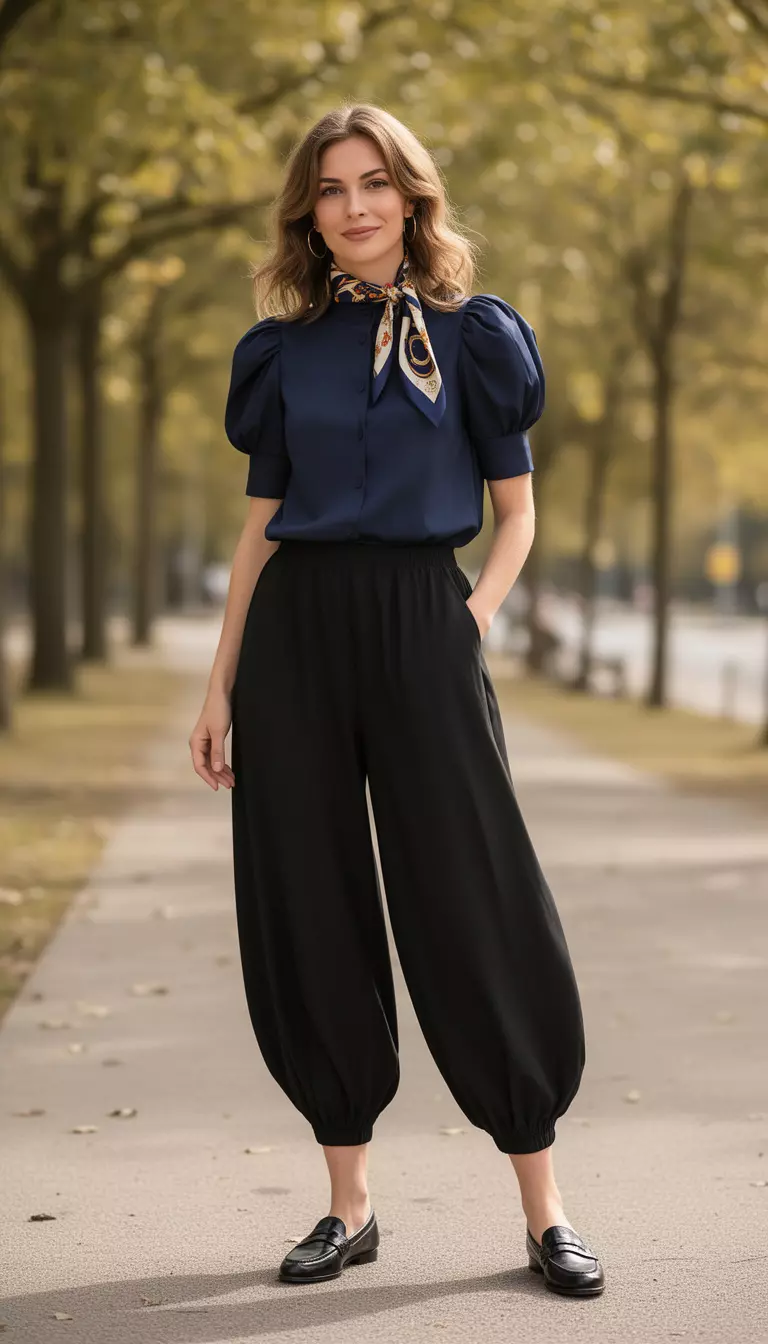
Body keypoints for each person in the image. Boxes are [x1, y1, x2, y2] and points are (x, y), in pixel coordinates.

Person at [189, 102, 604, 1298]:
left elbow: (515, 511)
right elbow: (261, 529)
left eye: (377, 183)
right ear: (307, 213)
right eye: (332, 189)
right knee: (308, 902)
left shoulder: (478, 338)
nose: (356, 206)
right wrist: (219, 685)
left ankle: (544, 1208)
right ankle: (348, 1205)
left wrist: (469, 624)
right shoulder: (281, 352)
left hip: (427, 620)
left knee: (472, 892)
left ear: (413, 199)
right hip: (296, 638)